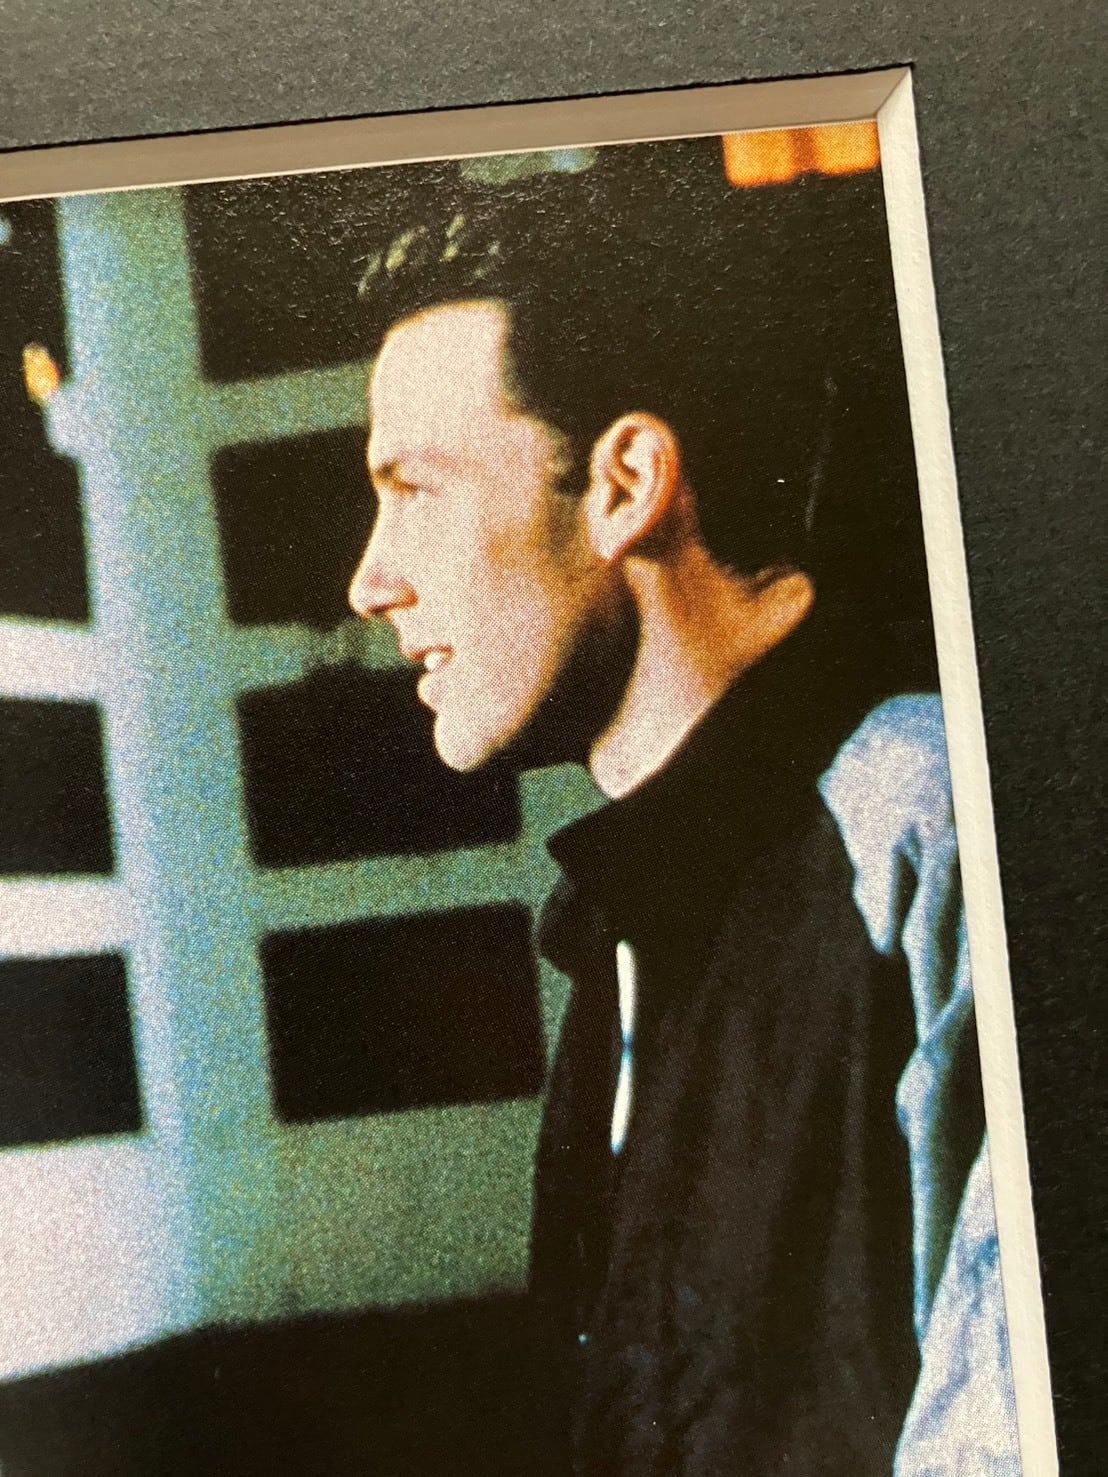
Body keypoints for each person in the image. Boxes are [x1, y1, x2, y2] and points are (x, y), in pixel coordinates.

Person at [346, 144, 1018, 1475]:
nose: (370, 582)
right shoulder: (625, 921)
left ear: (627, 485)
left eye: (411, 489)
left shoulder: (931, 824)